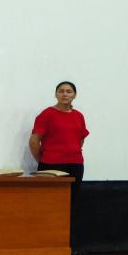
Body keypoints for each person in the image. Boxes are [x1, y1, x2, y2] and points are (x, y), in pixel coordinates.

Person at [29, 81, 89, 246]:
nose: (65, 94)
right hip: (51, 165)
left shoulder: (79, 116)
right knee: (50, 205)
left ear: (74, 95)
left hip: (75, 164)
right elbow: (34, 141)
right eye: (61, 91)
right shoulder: (47, 114)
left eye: (69, 91)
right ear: (56, 94)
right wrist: (43, 160)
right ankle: (48, 243)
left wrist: (72, 152)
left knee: (72, 205)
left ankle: (68, 244)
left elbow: (80, 138)